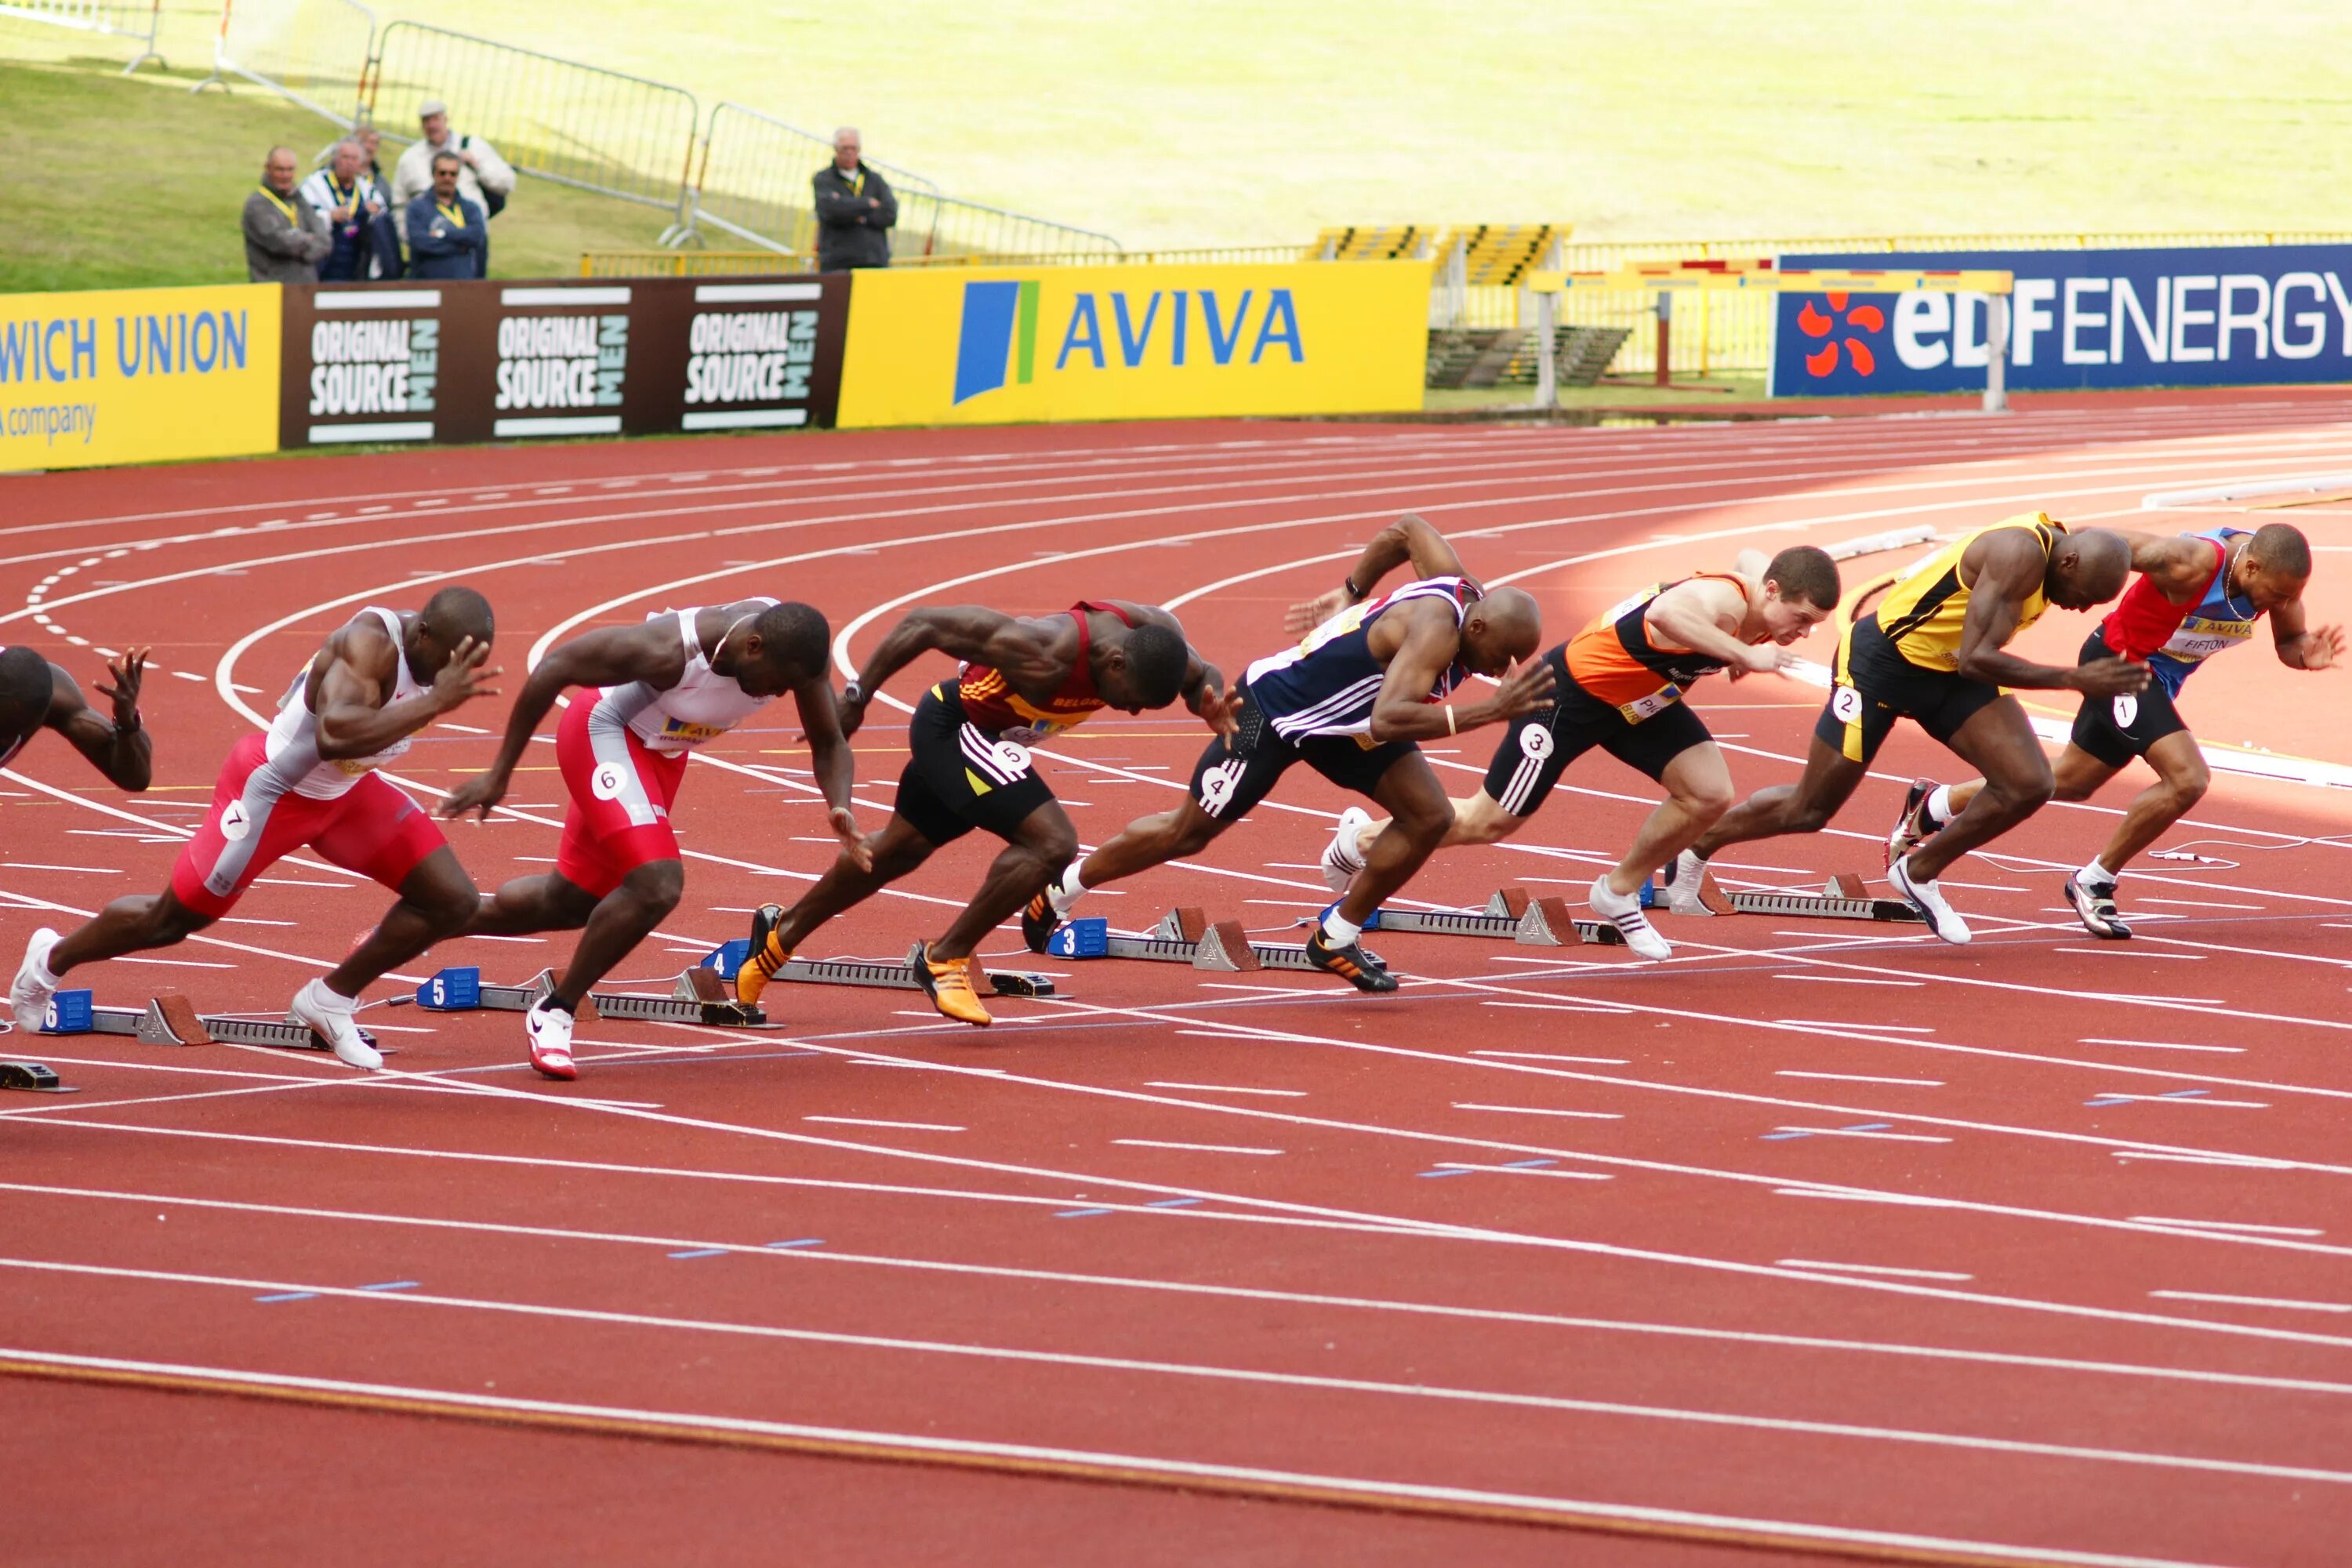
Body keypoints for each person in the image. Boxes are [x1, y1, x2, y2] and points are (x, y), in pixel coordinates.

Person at [1033, 515, 1552, 993]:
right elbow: (1390, 718)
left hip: (1343, 728)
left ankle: (1336, 937)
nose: (1496, 670)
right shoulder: (1438, 631)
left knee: (1429, 817)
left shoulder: (1465, 591)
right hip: (1275, 712)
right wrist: (1489, 711)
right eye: (1496, 658)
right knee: (1188, 832)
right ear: (1476, 626)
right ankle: (1062, 887)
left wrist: (1351, 592)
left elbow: (1410, 529)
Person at [12, 593, 501, 1069]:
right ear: (422, 632)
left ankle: (329, 1000)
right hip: (273, 791)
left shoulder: (435, 665)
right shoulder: (370, 642)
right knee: (173, 921)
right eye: (452, 657)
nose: (456, 672)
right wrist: (436, 700)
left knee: (452, 900)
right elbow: (335, 736)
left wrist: (438, 695)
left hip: (347, 795)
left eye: (471, 663)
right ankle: (47, 963)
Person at [1322, 547, 1842, 958]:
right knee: (1487, 822)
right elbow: (1666, 613)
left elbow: (1752, 555)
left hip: (1640, 704)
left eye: (1812, 624)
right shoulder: (1721, 605)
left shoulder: (1757, 588)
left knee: (1709, 794)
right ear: (1772, 591)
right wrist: (1743, 651)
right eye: (1800, 617)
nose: (1803, 632)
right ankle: (1359, 839)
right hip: (1571, 694)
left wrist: (1743, 644)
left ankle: (1617, 892)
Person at [733, 600, 1231, 1028]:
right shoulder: (1040, 648)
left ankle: (777, 940)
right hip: (957, 726)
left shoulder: (1156, 636)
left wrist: (1206, 701)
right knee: (1053, 844)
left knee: (896, 851)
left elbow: (1201, 674)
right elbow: (922, 623)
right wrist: (857, 698)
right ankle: (946, 957)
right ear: (1117, 662)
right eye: (1129, 701)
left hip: (994, 741)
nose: (1131, 713)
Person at [1661, 512, 2142, 944]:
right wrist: (2073, 679)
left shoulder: (2068, 555)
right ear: (2070, 562)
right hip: (1883, 664)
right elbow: (1979, 659)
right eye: (2084, 598)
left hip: (1950, 673)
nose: (2079, 610)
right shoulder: (2016, 553)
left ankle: (1919, 870)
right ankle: (1698, 845)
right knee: (1810, 809)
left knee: (2029, 783)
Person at [438, 599, 855, 1082]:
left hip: (662, 755)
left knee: (569, 904)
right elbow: (553, 669)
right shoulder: (669, 650)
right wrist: (499, 773)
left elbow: (829, 742)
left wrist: (839, 805)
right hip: (604, 730)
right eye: (776, 683)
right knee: (658, 883)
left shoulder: (799, 649)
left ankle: (437, 918)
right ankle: (556, 1011)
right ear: (753, 646)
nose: (782, 695)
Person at [1888, 521, 2339, 938]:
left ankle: (1934, 803)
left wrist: (2304, 654)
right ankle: (2095, 881)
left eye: (2286, 598)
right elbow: (2101, 543)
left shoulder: (2280, 585)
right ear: (2252, 565)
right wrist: (2037, 572)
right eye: (2274, 595)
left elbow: (2288, 642)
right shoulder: (2192, 560)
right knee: (2187, 779)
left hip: (2157, 681)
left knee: (2071, 781)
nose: (2278, 605)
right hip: (2118, 665)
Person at [0, 644, 151, 790]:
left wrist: (127, 722)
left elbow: (135, 779)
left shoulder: (49, 693)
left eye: (14, 732)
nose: (7, 741)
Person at [390, 99, 515, 218]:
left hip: (469, 228)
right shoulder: (410, 158)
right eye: (426, 121)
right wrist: (407, 235)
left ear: (446, 119)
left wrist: (477, 167)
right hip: (428, 233)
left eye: (436, 119)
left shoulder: (472, 146)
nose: (432, 125)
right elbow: (399, 202)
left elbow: (507, 183)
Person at [299, 138, 397, 282]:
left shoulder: (367, 189)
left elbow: (384, 218)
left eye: (354, 159)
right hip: (324, 262)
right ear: (335, 159)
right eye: (345, 157)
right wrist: (329, 216)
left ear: (361, 163)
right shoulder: (315, 184)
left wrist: (375, 213)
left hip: (356, 265)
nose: (349, 163)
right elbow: (304, 216)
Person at [812, 127, 896, 271]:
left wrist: (859, 216)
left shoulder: (874, 179)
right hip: (838, 263)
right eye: (845, 148)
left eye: (854, 148)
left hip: (874, 261)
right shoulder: (824, 179)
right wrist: (867, 203)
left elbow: (889, 215)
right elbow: (831, 211)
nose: (849, 153)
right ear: (836, 149)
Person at [244, 146, 331, 284]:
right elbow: (279, 242)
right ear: (268, 168)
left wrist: (300, 239)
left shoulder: (299, 199)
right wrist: (309, 240)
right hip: (272, 289)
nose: (286, 175)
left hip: (305, 288)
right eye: (280, 169)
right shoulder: (257, 204)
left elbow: (325, 240)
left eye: (290, 169)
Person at [405, 152, 488, 281]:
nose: (447, 178)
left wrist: (442, 234)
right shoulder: (417, 207)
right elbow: (420, 243)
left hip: (465, 285)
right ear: (434, 174)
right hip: (428, 285)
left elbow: (477, 236)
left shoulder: (471, 208)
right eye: (442, 173)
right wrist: (463, 246)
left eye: (453, 174)